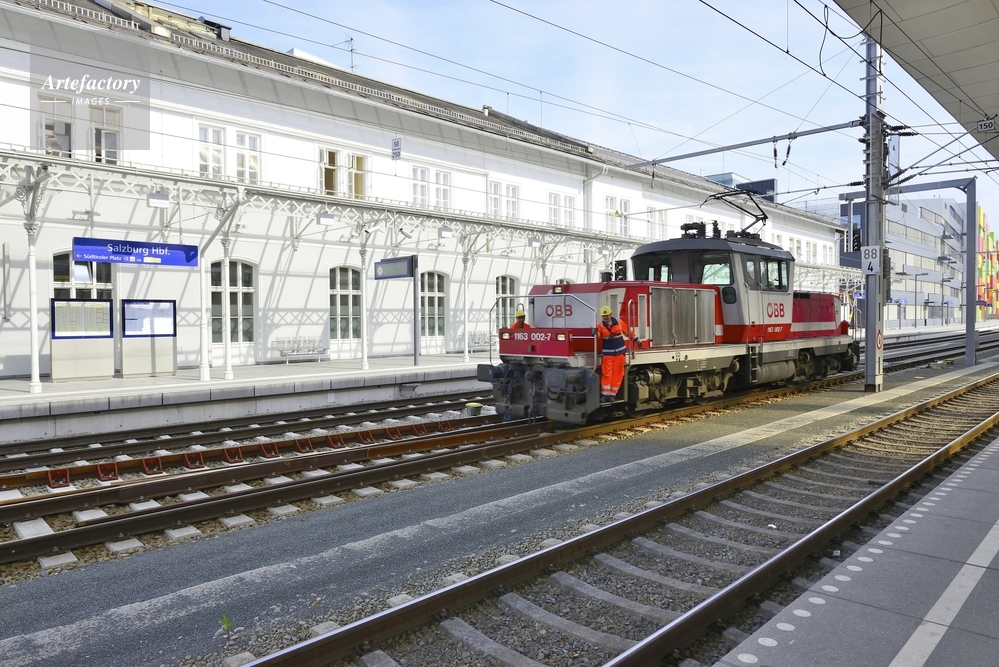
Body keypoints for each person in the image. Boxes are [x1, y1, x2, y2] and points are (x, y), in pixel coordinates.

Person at [596, 305, 639, 403]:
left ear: (610, 314)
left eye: (607, 315)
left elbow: (628, 332)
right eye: (603, 316)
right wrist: (594, 333)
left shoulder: (619, 322)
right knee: (606, 374)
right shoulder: (600, 325)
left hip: (620, 353)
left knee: (618, 374)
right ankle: (605, 395)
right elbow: (597, 335)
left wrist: (637, 340)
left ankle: (612, 394)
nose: (605, 317)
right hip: (608, 354)